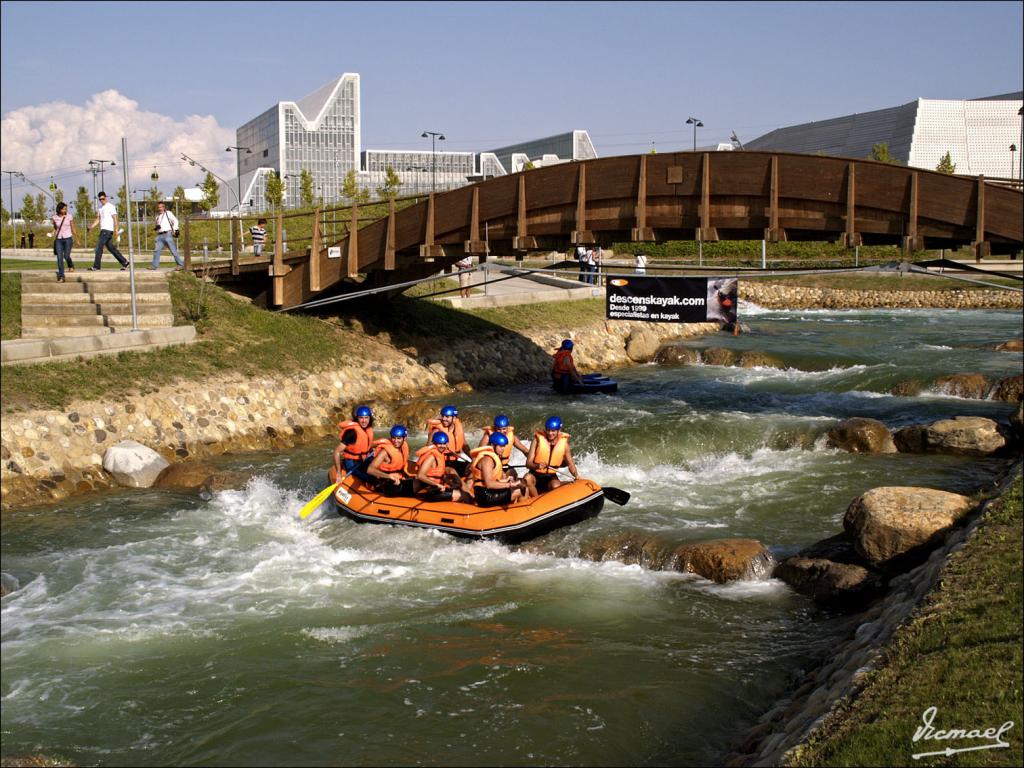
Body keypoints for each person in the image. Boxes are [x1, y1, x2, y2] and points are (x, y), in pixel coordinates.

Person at [526, 415, 578, 494]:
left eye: (553, 431)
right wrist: (537, 466)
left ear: (558, 430)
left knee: (555, 486)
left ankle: (567, 483)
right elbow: (528, 463)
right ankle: (535, 500)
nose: (550, 433)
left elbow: (570, 464)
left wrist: (576, 476)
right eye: (548, 430)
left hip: (550, 477)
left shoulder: (564, 445)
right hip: (535, 474)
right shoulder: (537, 440)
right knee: (527, 478)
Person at [469, 433, 525, 506]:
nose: (503, 449)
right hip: (485, 496)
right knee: (519, 490)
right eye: (500, 446)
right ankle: (523, 511)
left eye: (504, 446)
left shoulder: (492, 457)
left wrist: (505, 480)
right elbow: (489, 484)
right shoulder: (487, 459)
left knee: (521, 484)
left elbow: (489, 480)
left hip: (486, 492)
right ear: (492, 445)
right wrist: (511, 484)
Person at [413, 431, 464, 502]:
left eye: (444, 444)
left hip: (434, 487)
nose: (442, 446)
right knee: (459, 495)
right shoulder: (431, 457)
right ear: (435, 443)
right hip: (426, 490)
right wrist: (437, 485)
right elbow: (420, 475)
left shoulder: (440, 454)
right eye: (439, 444)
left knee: (459, 491)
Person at [366, 425, 416, 496]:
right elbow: (370, 470)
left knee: (418, 482)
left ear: (404, 438)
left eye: (399, 438)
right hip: (384, 482)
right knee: (411, 487)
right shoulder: (385, 452)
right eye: (393, 438)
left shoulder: (403, 448)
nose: (395, 441)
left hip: (398, 477)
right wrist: (389, 476)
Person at [333, 405, 375, 483]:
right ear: (357, 419)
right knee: (371, 479)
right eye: (361, 418)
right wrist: (338, 473)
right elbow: (337, 451)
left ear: (369, 418)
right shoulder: (352, 432)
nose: (364, 421)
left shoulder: (368, 429)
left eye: (366, 418)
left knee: (379, 472)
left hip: (364, 459)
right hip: (352, 463)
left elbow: (366, 445)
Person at [87, 191, 128, 270]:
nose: (102, 200)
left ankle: (96, 266)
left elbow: (115, 218)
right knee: (111, 248)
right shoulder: (100, 208)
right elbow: (98, 219)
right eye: (100, 199)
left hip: (108, 230)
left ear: (106, 197)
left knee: (99, 247)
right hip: (103, 230)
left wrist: (116, 230)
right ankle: (125, 262)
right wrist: (91, 227)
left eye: (103, 198)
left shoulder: (111, 206)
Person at [426, 405, 468, 474]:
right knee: (453, 472)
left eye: (447, 417)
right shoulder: (436, 431)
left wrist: (473, 459)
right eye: (442, 416)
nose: (443, 419)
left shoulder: (458, 430)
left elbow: (465, 446)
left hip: (455, 461)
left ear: (454, 418)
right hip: (441, 462)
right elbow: (427, 449)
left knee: (472, 468)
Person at [150, 202, 182, 270]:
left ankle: (180, 264)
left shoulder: (168, 213)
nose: (160, 209)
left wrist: (175, 229)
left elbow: (175, 221)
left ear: (164, 207)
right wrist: (156, 228)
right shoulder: (157, 216)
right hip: (160, 235)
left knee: (173, 250)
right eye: (158, 207)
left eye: (161, 207)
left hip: (167, 234)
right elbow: (159, 226)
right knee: (156, 250)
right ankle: (154, 266)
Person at [50, 202, 76, 282]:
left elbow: (72, 227)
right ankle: (61, 276)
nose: (65, 210)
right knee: (59, 257)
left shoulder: (69, 216)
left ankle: (71, 265)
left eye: (66, 209)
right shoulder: (54, 217)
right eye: (63, 209)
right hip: (58, 239)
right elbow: (55, 228)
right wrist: (52, 233)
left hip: (68, 238)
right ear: (59, 209)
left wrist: (77, 238)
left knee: (66, 256)